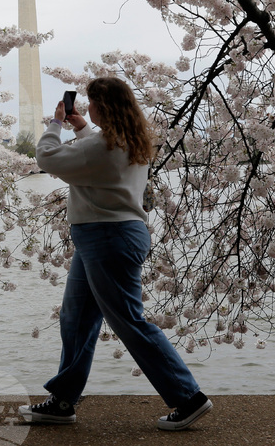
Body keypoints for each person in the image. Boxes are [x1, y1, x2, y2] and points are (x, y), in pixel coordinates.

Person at [19, 76, 212, 431]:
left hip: (107, 238)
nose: (87, 109)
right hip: (108, 236)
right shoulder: (127, 140)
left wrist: (56, 123)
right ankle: (63, 401)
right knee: (76, 319)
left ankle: (188, 397)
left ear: (103, 107)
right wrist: (81, 129)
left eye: (91, 103)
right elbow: (95, 154)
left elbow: (47, 157)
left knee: (128, 321)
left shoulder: (103, 146)